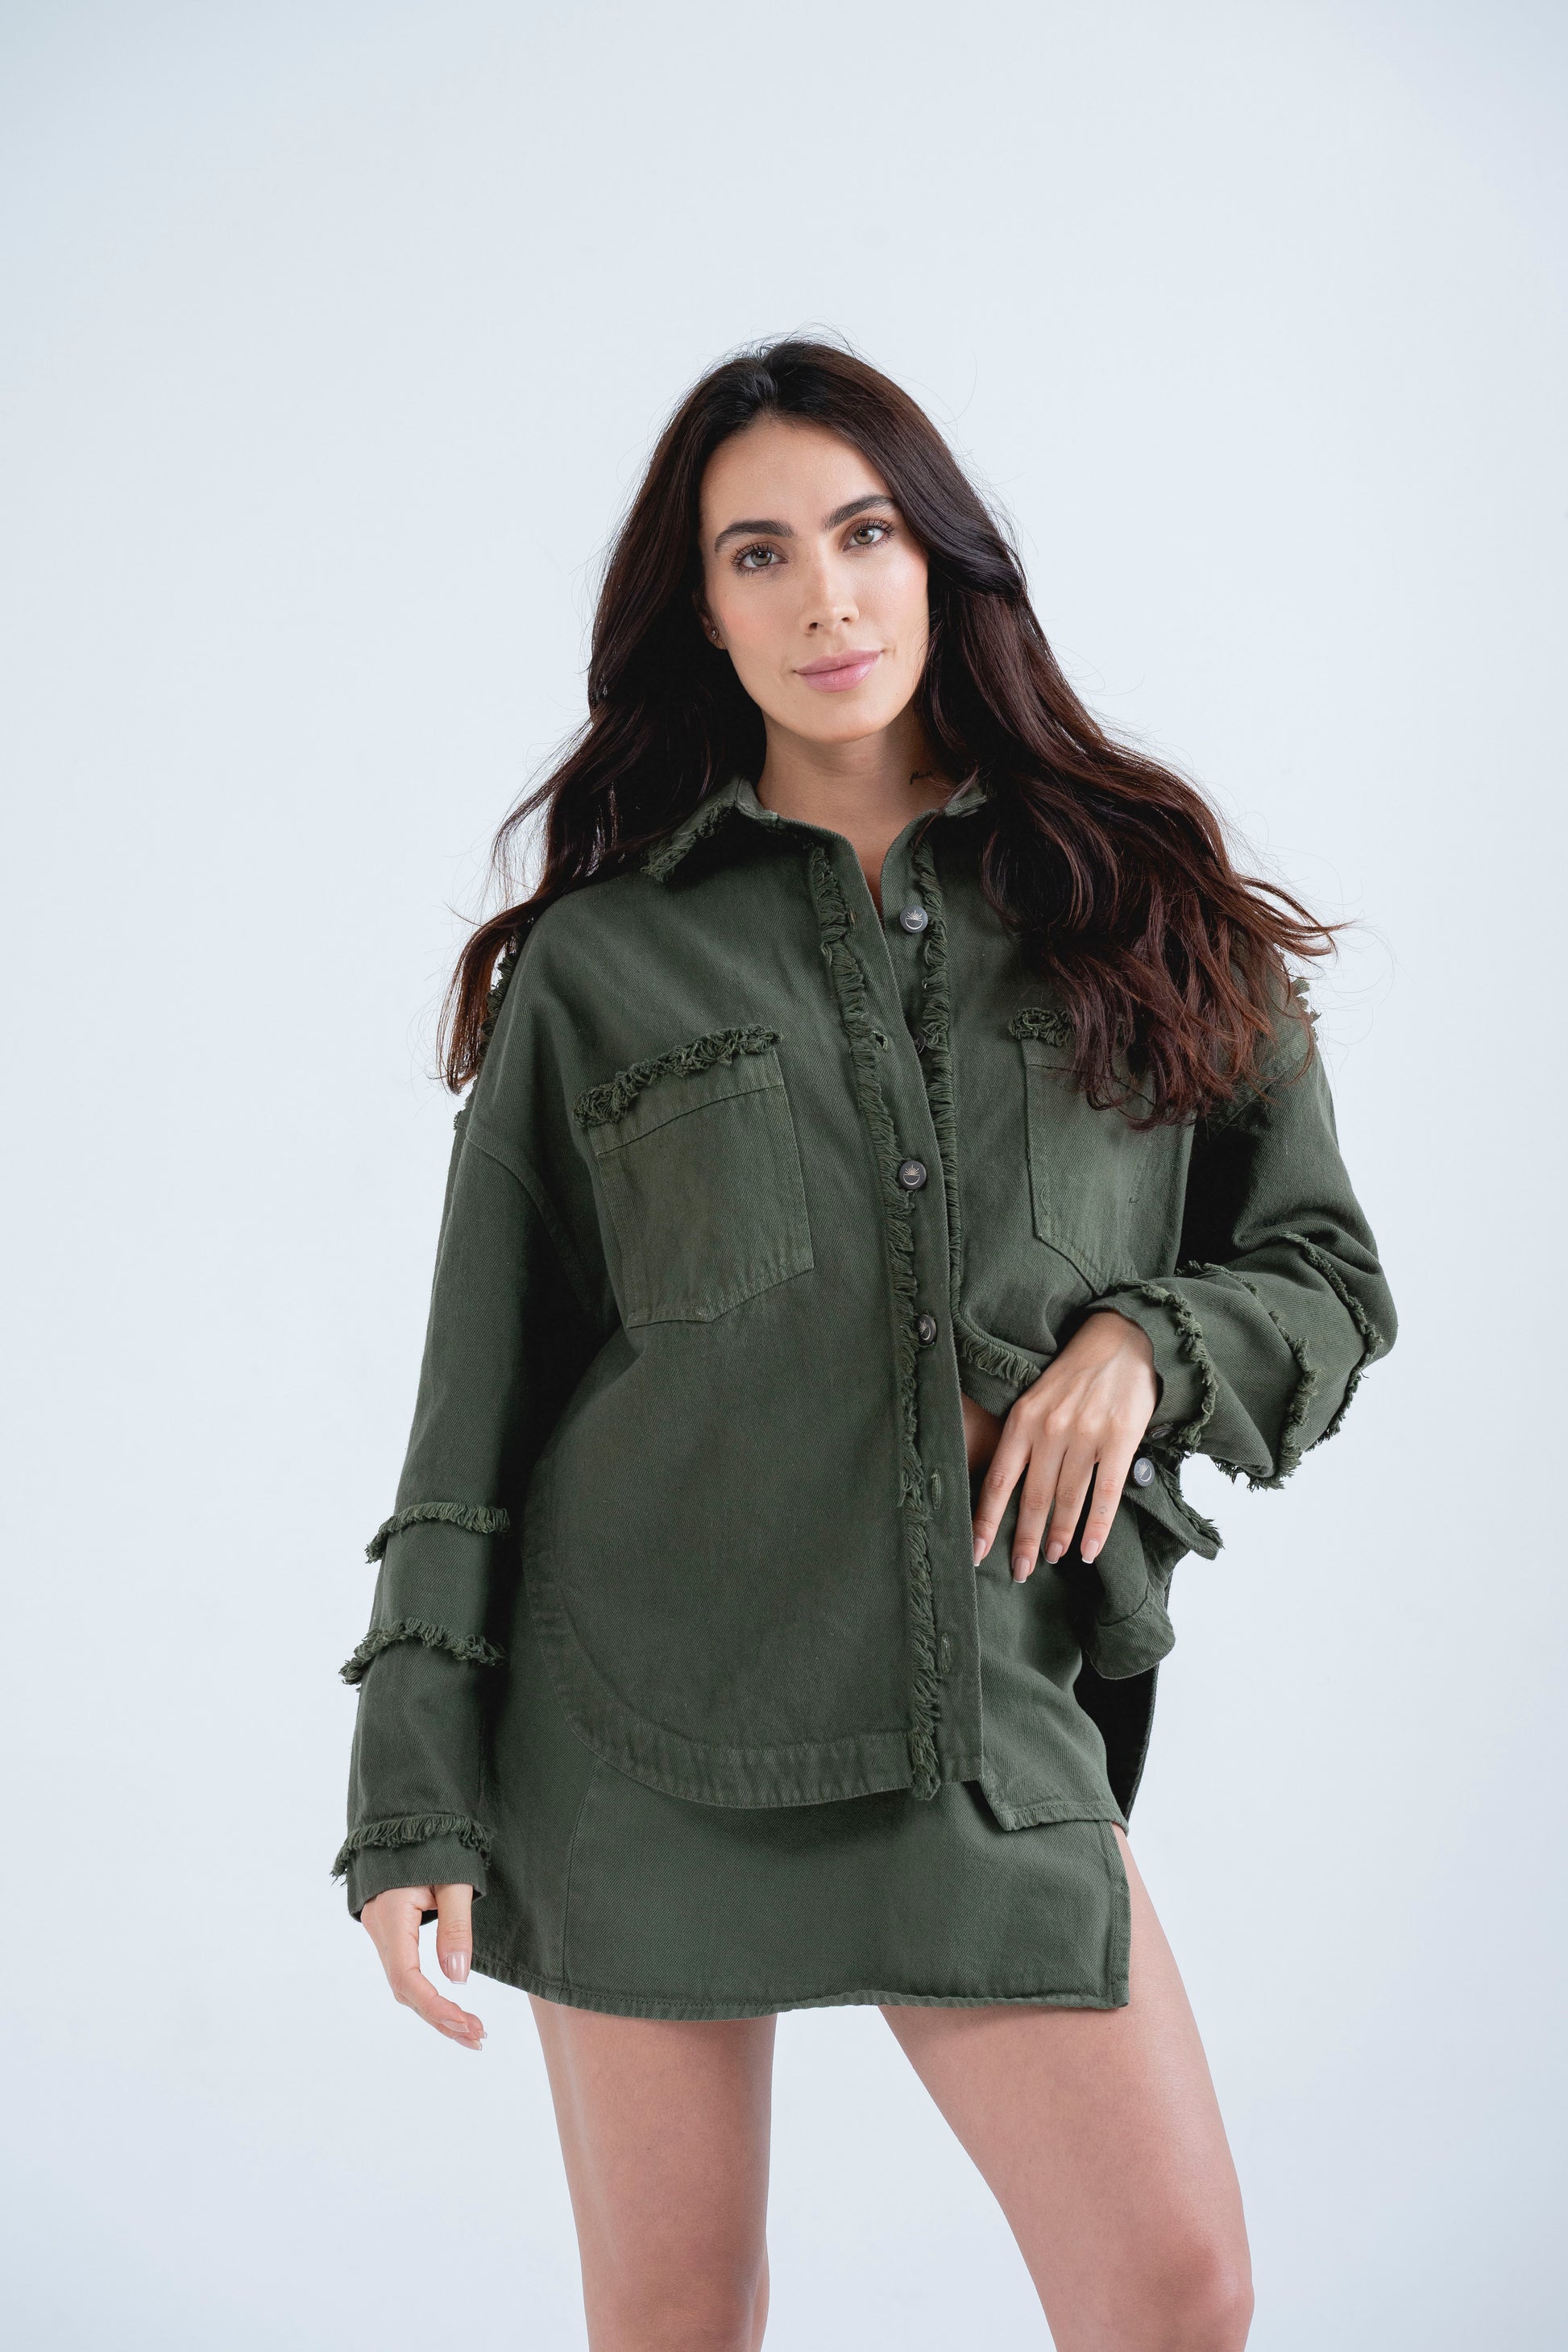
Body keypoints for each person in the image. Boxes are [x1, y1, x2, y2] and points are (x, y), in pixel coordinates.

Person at [334, 337, 1395, 2352]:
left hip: (972, 1700)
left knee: (1175, 2290)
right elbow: (472, 1403)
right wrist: (411, 1791)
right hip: (625, 1719)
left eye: (866, 532)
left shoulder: (1135, 900)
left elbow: (1327, 1272)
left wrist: (1145, 1343)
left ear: (942, 561)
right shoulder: (599, 959)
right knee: (678, 2316)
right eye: (759, 554)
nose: (824, 596)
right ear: (700, 609)